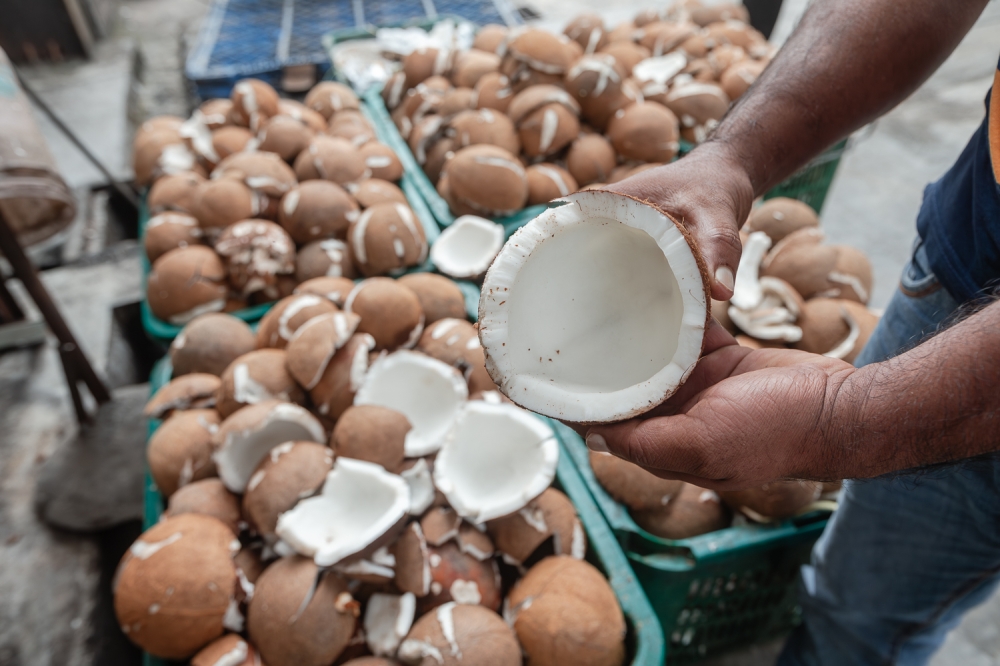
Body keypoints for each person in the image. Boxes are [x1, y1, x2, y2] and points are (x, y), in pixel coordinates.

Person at [585, 0, 1000, 663]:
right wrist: (734, 156)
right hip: (975, 226)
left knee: (869, 623)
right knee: (855, 589)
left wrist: (849, 420)